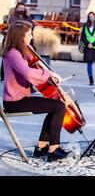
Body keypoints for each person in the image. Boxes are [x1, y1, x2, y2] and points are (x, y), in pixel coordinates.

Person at [2, 21, 70, 162]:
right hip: (15, 102)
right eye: (29, 34)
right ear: (20, 36)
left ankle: (41, 147)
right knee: (59, 106)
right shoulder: (13, 53)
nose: (31, 37)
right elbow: (27, 73)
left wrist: (48, 72)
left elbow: (36, 66)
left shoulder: (20, 51)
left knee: (55, 105)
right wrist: (49, 75)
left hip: (20, 99)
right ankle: (53, 149)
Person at [80, 12, 95, 86]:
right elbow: (83, 36)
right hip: (88, 47)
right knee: (89, 64)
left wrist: (93, 44)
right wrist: (88, 44)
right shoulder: (86, 26)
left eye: (92, 16)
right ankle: (91, 80)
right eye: (89, 17)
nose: (91, 18)